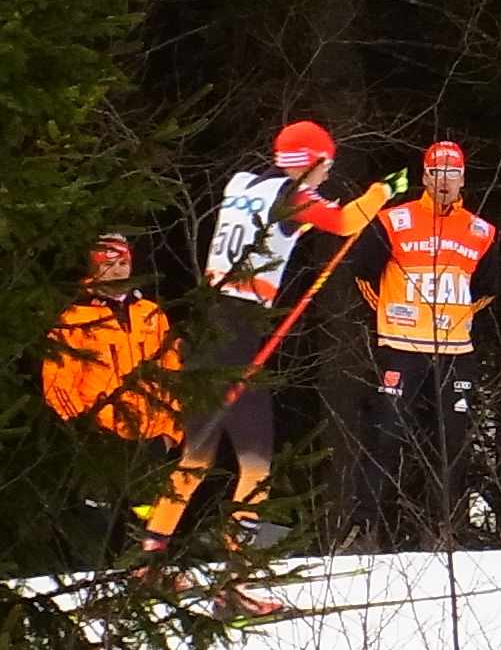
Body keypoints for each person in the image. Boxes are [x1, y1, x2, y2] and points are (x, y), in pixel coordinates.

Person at [152, 120, 390, 555]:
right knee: (256, 461)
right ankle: (234, 574)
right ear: (309, 163)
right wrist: (379, 195)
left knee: (196, 457)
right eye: (326, 165)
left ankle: (149, 557)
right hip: (239, 329)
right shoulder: (291, 195)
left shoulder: (243, 183)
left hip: (207, 323)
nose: (328, 174)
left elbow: (277, 224)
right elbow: (342, 221)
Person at [337, 140, 500, 546]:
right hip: (400, 345)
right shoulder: (394, 221)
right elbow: (362, 272)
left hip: (453, 351)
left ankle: (445, 530)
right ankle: (364, 528)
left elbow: (489, 288)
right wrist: (391, 313)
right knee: (385, 434)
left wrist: (455, 317)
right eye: (436, 173)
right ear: (425, 176)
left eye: (452, 174)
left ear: (463, 178)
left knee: (452, 442)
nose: (444, 181)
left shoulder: (481, 230)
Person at [43, 235, 182, 547]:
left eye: (123, 263)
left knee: (151, 518)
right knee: (99, 520)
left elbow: (173, 374)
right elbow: (58, 380)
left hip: (151, 437)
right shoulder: (74, 318)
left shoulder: (152, 314)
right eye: (109, 265)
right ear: (95, 268)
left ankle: (149, 574)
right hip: (101, 435)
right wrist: (83, 427)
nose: (118, 271)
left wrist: (171, 429)